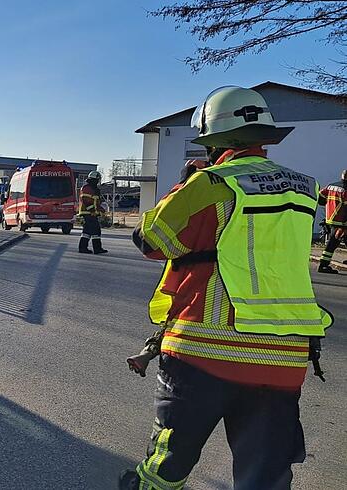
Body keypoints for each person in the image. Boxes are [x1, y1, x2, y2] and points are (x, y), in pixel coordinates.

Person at [121, 86, 332, 490]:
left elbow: (152, 239)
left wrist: (184, 188)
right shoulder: (306, 189)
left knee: (168, 464)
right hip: (284, 357)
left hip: (204, 352)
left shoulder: (214, 183)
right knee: (264, 477)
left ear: (213, 140)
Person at [317, 170, 346, 274]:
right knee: (332, 243)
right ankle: (323, 265)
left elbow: (320, 199)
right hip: (342, 221)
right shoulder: (345, 190)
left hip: (331, 219)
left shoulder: (330, 186)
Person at [78, 170, 108, 254]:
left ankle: (83, 248)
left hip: (91, 213)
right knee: (96, 230)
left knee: (87, 232)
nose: (98, 181)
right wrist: (92, 210)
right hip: (88, 213)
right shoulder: (87, 188)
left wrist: (102, 207)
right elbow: (86, 200)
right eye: (98, 180)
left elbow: (95, 201)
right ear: (94, 179)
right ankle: (97, 248)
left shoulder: (93, 188)